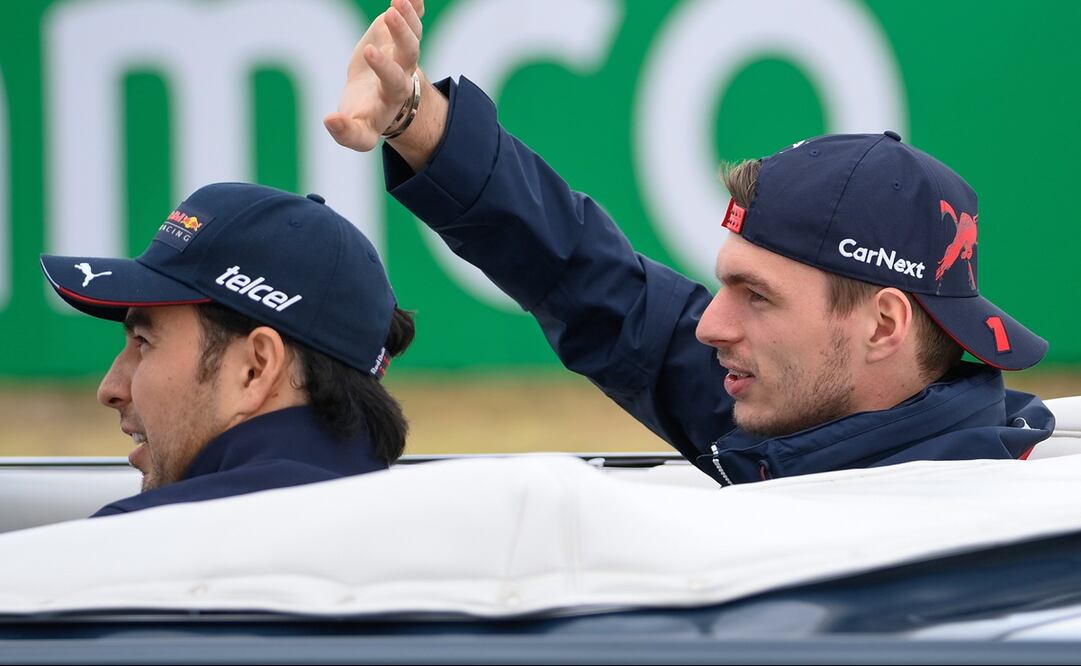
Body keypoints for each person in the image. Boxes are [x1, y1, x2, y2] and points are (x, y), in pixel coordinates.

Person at [324, 0, 1053, 485]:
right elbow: (588, 279)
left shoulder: (958, 531)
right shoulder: (823, 403)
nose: (709, 323)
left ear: (883, 324)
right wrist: (414, 116)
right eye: (729, 283)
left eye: (755, 296)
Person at [40, 182, 413, 515]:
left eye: (143, 343)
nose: (110, 389)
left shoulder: (125, 541)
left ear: (255, 368)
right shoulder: (437, 527)